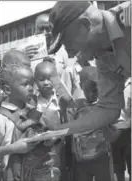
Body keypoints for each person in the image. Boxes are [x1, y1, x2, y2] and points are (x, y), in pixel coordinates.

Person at [47, 1, 131, 134]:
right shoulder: (103, 57)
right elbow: (108, 109)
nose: (70, 54)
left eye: (69, 44)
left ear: (85, 25)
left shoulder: (129, 18)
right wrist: (57, 131)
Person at [71, 69, 113, 181]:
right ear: (80, 86)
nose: (91, 94)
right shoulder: (76, 106)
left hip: (102, 157)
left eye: (94, 90)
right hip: (82, 159)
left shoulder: (106, 105)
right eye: (87, 90)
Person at [0, 63, 37, 181]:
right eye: (25, 84)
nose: (31, 88)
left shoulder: (33, 111)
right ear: (7, 90)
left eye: (32, 83)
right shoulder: (1, 119)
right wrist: (14, 148)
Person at [111, 78, 131, 181]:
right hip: (115, 130)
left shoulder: (129, 86)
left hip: (128, 129)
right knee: (118, 168)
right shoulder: (110, 83)